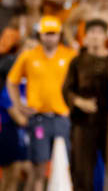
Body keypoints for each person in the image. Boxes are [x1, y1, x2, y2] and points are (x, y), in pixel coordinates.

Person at [6, 16, 76, 191]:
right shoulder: (29, 56)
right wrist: (18, 105)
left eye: (53, 34)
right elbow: (12, 81)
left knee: (64, 165)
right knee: (38, 170)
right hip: (39, 118)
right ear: (40, 35)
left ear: (59, 35)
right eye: (46, 34)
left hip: (63, 117)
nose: (50, 37)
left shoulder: (69, 55)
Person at [62, 19, 108, 191]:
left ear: (105, 36)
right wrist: (79, 102)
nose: (95, 36)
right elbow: (66, 90)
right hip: (83, 123)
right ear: (85, 37)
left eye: (98, 32)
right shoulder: (78, 61)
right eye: (91, 32)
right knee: (82, 171)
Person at [0, 38, 37, 191]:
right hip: (9, 127)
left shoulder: (36, 74)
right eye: (28, 47)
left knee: (31, 171)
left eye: (35, 48)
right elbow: (6, 98)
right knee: (12, 172)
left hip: (30, 129)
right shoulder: (9, 69)